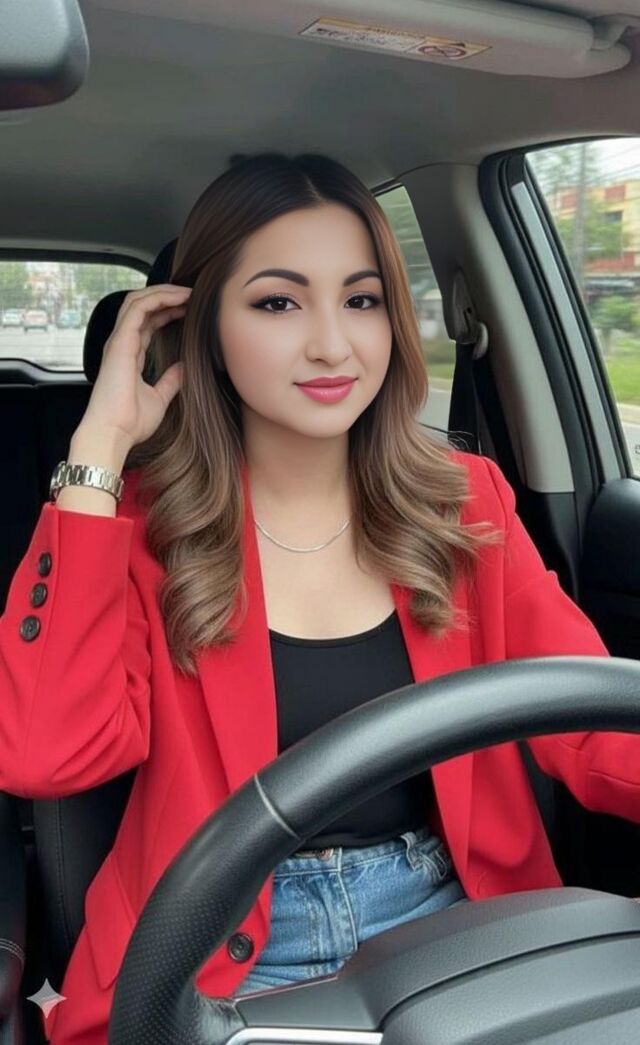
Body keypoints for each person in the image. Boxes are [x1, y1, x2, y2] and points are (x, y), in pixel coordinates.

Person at [1, 151, 639, 1044]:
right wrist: (99, 447)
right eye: (278, 303)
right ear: (204, 329)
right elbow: (48, 755)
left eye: (362, 299)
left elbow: (588, 718)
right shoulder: (137, 528)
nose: (333, 344)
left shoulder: (466, 502)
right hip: (220, 947)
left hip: (457, 920)